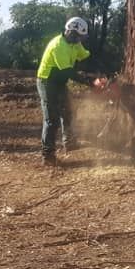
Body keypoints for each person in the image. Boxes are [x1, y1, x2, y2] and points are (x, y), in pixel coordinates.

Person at [36, 17, 93, 165]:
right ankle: (47, 155)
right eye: (79, 36)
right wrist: (90, 82)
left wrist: (102, 70)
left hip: (60, 81)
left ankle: (70, 142)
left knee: (68, 111)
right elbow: (69, 72)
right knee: (51, 119)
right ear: (73, 33)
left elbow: (86, 56)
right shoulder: (58, 46)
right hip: (47, 81)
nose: (81, 40)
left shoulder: (75, 44)